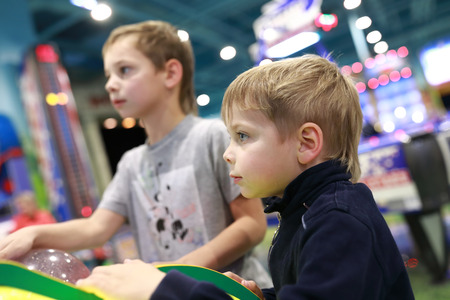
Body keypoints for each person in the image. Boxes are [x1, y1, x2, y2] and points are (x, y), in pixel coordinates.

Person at [77, 54, 415, 300]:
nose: (228, 153)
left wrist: (163, 290)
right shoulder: (307, 212)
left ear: (306, 143)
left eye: (242, 136)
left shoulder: (339, 221)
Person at [0, 20, 271, 287]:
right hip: (168, 292)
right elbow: (96, 229)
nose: (110, 84)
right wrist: (33, 234)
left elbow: (251, 224)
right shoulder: (132, 163)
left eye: (124, 70)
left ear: (170, 73)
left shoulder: (211, 137)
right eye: (109, 75)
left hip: (230, 291)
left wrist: (182, 270)